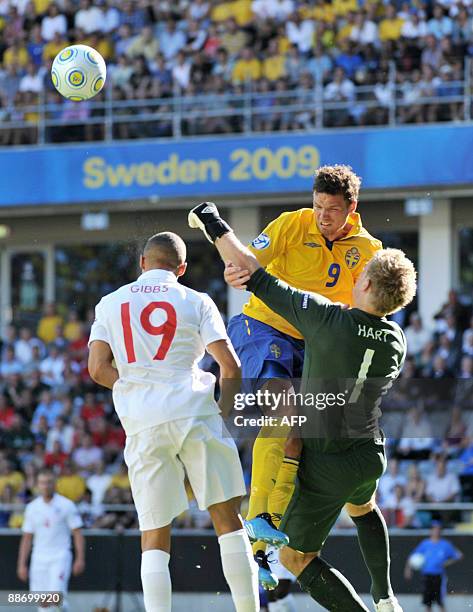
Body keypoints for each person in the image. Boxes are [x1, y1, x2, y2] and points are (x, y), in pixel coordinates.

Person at [189, 202, 417, 611]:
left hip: (330, 456)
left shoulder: (327, 320)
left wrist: (215, 225)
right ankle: (385, 597)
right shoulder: (397, 340)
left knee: (297, 558)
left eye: (360, 276)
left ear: (364, 287)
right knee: (363, 507)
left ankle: (262, 535)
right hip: (369, 453)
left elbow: (256, 275)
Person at [225, 164, 383, 587]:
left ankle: (262, 545)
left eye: (331, 209)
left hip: (315, 343)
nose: (322, 216)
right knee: (284, 409)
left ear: (352, 208)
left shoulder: (368, 249)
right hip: (263, 327)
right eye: (317, 206)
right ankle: (256, 515)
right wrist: (236, 270)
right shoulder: (291, 224)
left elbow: (367, 306)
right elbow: (249, 260)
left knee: (297, 438)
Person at [88, 232, 260, 612]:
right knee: (226, 518)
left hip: (143, 420)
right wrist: (223, 414)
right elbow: (230, 365)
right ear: (181, 269)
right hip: (194, 410)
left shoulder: (110, 303)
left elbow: (98, 369)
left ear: (143, 264)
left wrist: (137, 384)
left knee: (154, 531)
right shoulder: (196, 300)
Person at [17, 468, 85, 611]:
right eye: (42, 483)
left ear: (55, 484)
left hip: (60, 556)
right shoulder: (32, 508)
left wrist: (80, 558)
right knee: (42, 603)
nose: (45, 486)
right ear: (37, 484)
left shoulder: (66, 505)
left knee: (54, 597)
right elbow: (27, 538)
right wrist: (22, 564)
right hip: (39, 558)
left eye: (49, 482)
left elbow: (77, 533)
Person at [404, 521, 463, 612]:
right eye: (434, 529)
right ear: (431, 531)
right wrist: (408, 569)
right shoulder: (425, 544)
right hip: (427, 576)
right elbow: (412, 557)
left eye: (438, 529)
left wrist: (446, 563)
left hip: (438, 576)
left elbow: (459, 555)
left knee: (440, 602)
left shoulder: (445, 544)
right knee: (428, 603)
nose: (436, 531)